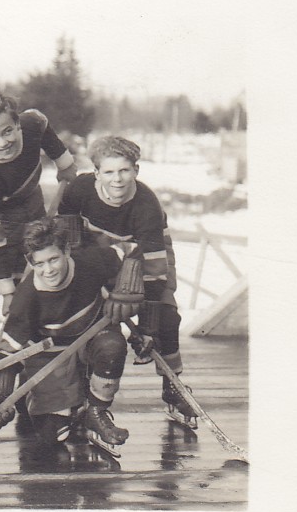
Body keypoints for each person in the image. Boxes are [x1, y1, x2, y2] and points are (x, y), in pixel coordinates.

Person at [0, 215, 144, 458]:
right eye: (40, 263)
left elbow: (133, 250)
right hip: (51, 357)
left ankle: (96, 411)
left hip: (91, 339)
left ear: (66, 250)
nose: (48, 270)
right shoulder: (26, 297)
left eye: (54, 259)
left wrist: (127, 288)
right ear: (30, 261)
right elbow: (8, 352)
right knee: (53, 435)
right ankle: (43, 397)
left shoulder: (91, 261)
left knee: (112, 345)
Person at [58, 134, 198, 423]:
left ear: (136, 170)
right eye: (109, 172)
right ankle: (81, 390)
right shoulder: (79, 189)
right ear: (96, 173)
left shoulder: (147, 206)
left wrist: (149, 326)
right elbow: (67, 231)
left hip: (145, 256)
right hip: (97, 252)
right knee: (86, 315)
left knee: (167, 320)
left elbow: (156, 272)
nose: (117, 179)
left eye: (124, 170)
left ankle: (173, 388)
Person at [0, 92, 77, 394]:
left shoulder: (31, 124)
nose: (2, 142)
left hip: (29, 209)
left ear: (17, 124)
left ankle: (31, 383)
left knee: (35, 295)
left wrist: (64, 162)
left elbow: (42, 122)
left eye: (8, 130)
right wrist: (6, 290)